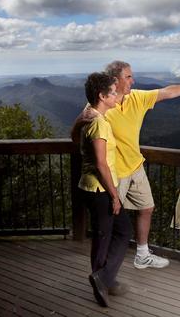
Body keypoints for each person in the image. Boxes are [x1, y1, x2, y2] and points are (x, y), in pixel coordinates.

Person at [104, 60, 180, 269]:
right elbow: (83, 128)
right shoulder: (103, 103)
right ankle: (106, 267)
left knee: (147, 207)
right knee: (110, 221)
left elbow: (168, 92)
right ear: (115, 79)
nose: (133, 80)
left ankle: (142, 255)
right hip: (115, 173)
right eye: (128, 77)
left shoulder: (137, 98)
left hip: (135, 166)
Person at [71, 72, 132, 307]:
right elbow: (101, 164)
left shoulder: (89, 116)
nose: (118, 95)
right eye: (114, 93)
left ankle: (105, 280)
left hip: (91, 188)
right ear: (102, 96)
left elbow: (73, 138)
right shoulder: (99, 123)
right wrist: (115, 196)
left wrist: (76, 122)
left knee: (106, 234)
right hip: (100, 190)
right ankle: (102, 279)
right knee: (117, 233)